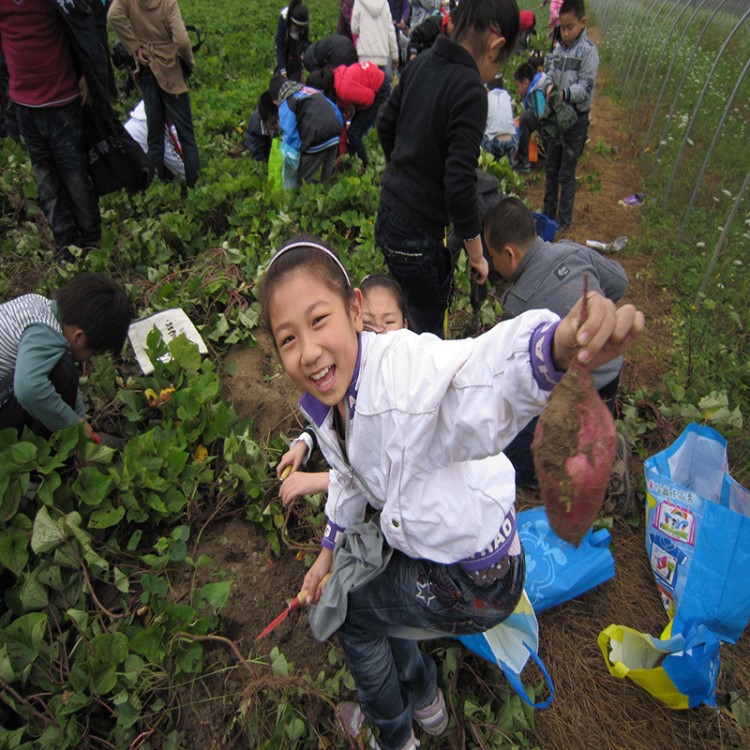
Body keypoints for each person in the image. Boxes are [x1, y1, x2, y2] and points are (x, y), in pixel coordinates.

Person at [259, 237, 644, 750]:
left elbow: (474, 375)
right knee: (364, 583)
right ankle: (429, 706)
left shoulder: (401, 372)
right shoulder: (332, 394)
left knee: (346, 611)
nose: (307, 351)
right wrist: (327, 551)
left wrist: (551, 348)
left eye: (318, 320)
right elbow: (349, 473)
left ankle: (396, 738)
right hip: (452, 551)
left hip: (476, 581)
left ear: (355, 309)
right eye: (287, 339)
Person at [375, 0, 520, 337]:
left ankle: (395, 365)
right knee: (427, 335)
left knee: (402, 309)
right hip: (418, 236)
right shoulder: (470, 89)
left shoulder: (423, 61)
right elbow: (459, 183)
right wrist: (476, 253)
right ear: (496, 45)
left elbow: (385, 123)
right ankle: (421, 383)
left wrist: (404, 174)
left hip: (388, 217)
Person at [483, 196, 632, 508]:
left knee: (510, 459)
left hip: (575, 390)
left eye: (493, 256)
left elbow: (514, 373)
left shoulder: (517, 304)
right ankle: (598, 433)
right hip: (611, 373)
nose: (493, 263)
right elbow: (619, 282)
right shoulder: (572, 250)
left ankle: (588, 466)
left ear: (509, 254)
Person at [277, 273, 408, 508]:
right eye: (368, 325)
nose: (378, 333)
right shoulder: (344, 372)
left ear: (406, 325)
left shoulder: (404, 385)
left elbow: (375, 475)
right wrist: (305, 441)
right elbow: (333, 416)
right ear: (354, 320)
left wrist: (321, 480)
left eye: (389, 323)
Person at [0, 0, 110, 259]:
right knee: (46, 182)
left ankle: (92, 241)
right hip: (24, 104)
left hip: (61, 100)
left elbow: (86, 26)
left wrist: (88, 75)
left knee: (75, 177)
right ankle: (65, 243)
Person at [0, 273, 131, 440]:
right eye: (93, 353)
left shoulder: (38, 304)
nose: (89, 359)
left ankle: (67, 446)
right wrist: (75, 428)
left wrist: (80, 420)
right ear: (78, 336)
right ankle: (55, 456)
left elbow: (70, 389)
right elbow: (28, 388)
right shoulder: (45, 333)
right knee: (62, 368)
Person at [108, 0, 200, 188]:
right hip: (170, 71)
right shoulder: (168, 3)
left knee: (155, 139)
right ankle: (194, 190)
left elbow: (113, 16)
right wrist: (189, 63)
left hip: (147, 69)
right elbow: (182, 40)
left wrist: (135, 47)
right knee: (187, 137)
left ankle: (155, 190)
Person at [540, 0, 598, 232]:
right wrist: (548, 86)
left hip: (576, 120)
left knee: (566, 172)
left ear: (582, 23)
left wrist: (564, 94)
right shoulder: (558, 49)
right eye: (562, 28)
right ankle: (546, 214)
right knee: (551, 167)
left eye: (570, 27)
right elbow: (550, 73)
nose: (565, 32)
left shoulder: (588, 52)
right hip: (557, 118)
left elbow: (585, 87)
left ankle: (563, 221)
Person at [306, 60, 390, 169]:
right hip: (371, 87)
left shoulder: (343, 90)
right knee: (351, 134)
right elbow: (342, 123)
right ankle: (349, 161)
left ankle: (366, 168)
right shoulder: (335, 82)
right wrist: (342, 151)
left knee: (354, 134)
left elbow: (370, 98)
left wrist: (355, 108)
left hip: (379, 89)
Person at [268, 74, 344, 188]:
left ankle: (305, 204)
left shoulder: (286, 102)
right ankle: (325, 201)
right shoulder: (309, 91)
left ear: (275, 101)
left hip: (316, 139)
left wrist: (290, 173)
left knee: (304, 184)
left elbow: (291, 138)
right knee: (325, 180)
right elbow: (335, 111)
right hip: (334, 135)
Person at [124, 99, 185, 180]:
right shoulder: (152, 126)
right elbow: (173, 161)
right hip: (128, 166)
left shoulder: (152, 109)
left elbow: (172, 130)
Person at [510, 60, 546, 174]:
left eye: (518, 86)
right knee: (525, 118)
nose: (518, 90)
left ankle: (524, 162)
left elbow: (543, 117)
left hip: (552, 131)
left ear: (526, 82)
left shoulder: (536, 92)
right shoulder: (540, 83)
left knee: (524, 120)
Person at [351, 0, 399, 74]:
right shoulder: (384, 3)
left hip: (364, 56)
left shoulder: (358, 2)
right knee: (381, 83)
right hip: (382, 56)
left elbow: (354, 28)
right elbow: (391, 31)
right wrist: (394, 56)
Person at [481, 75, 517, 162]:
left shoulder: (487, 97)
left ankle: (488, 163)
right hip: (511, 142)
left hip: (494, 144)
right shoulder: (507, 96)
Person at [275, 1, 309, 82]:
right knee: (280, 75)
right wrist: (283, 72)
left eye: (301, 29)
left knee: (296, 74)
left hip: (296, 49)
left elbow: (303, 46)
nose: (298, 31)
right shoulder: (283, 18)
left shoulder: (304, 20)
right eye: (297, 28)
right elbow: (280, 47)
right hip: (286, 46)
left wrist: (301, 72)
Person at [244, 91, 279, 162]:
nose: (278, 126)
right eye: (273, 123)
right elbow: (258, 158)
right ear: (263, 120)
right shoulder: (254, 131)